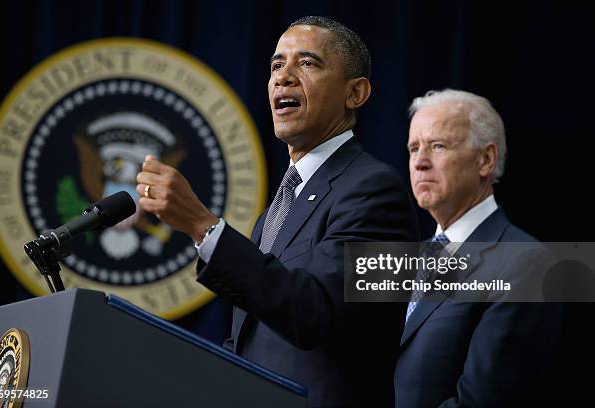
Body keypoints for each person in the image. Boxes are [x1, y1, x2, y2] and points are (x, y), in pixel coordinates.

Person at [137, 16, 418, 407]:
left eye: (307, 63)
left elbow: (315, 315)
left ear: (355, 93)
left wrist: (203, 226)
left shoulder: (377, 193)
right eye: (275, 65)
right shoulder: (274, 212)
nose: (282, 77)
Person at [395, 89, 561, 407]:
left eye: (438, 146)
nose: (420, 162)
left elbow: (482, 401)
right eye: (413, 148)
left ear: (485, 159)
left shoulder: (525, 263)